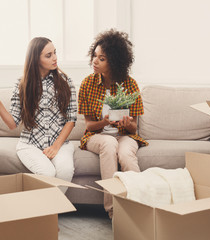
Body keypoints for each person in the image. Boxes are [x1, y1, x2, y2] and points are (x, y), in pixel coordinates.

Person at [0, 37, 77, 193]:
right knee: (48, 173)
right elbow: (12, 123)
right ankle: (50, 212)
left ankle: (48, 211)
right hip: (30, 144)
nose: (55, 58)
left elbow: (71, 119)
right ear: (36, 59)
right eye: (48, 55)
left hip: (60, 144)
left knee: (65, 171)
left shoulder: (65, 81)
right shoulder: (22, 84)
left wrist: (56, 147)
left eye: (55, 53)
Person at [78, 29, 148, 217]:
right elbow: (89, 126)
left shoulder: (130, 85)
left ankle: (139, 206)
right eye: (94, 56)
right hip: (96, 136)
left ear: (115, 62)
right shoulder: (87, 84)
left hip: (125, 135)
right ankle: (113, 210)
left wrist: (126, 123)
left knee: (125, 155)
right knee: (109, 143)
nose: (94, 61)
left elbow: (134, 128)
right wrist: (104, 122)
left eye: (102, 58)